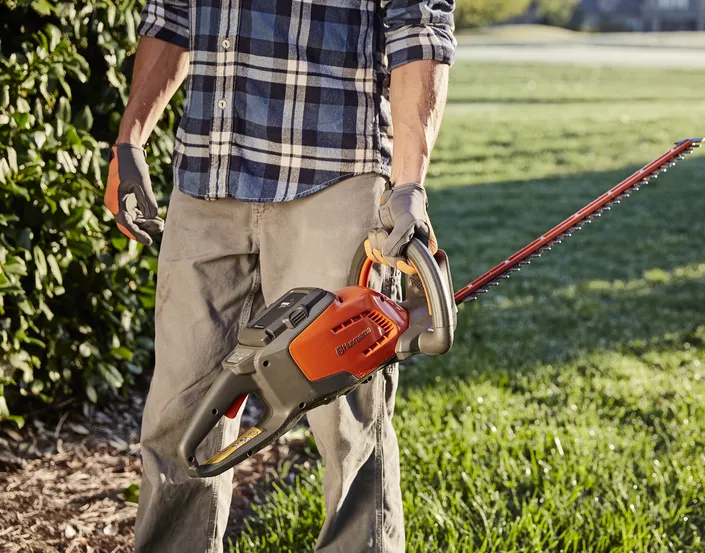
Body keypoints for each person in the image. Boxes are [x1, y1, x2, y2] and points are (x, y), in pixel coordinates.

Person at [104, 1, 456, 551]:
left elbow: (419, 24)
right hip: (205, 174)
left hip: (333, 173)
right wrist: (131, 138)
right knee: (178, 419)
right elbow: (170, 14)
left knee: (348, 429)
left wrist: (408, 186)